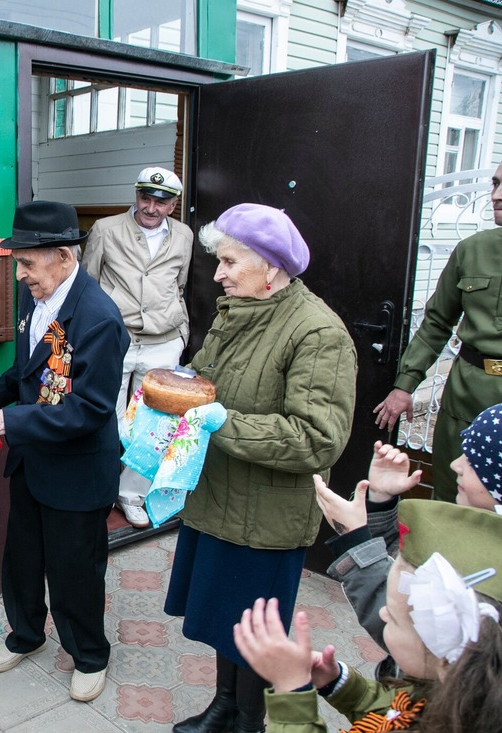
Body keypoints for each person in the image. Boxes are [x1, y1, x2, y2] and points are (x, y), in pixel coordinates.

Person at [164, 203, 358, 733]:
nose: (218, 273)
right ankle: (225, 706)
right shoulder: (240, 309)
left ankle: (249, 721)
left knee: (255, 627)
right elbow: (208, 383)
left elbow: (317, 440)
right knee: (229, 621)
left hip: (264, 517)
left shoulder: (318, 333)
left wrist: (219, 423)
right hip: (218, 498)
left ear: (271, 267)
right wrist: (175, 391)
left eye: (229, 262)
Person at [0, 200, 128, 703]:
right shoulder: (37, 299)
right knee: (23, 560)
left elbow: (88, 411)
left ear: (63, 257)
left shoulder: (98, 320)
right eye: (17, 262)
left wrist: (3, 420)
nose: (19, 273)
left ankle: (90, 655)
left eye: (27, 262)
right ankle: (25, 635)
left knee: (74, 570)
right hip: (34, 460)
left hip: (77, 470)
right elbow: (29, 371)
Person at [233, 499, 502, 733]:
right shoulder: (447, 694)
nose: (383, 611)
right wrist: (338, 683)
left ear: (446, 658)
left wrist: (292, 693)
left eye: (394, 617)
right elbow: (394, 713)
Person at [317, 402, 502, 649]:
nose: (455, 464)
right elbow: (408, 570)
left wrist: (356, 540)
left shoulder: (489, 575)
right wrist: (381, 499)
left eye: (472, 461)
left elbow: (414, 632)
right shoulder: (476, 533)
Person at [373, 161, 502, 503]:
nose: (497, 195)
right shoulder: (472, 250)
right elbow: (436, 323)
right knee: (453, 491)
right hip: (469, 392)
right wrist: (405, 385)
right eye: (494, 184)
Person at [83, 166, 193, 527]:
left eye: (161, 202)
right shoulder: (106, 229)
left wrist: (182, 332)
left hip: (164, 340)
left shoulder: (184, 235)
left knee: (155, 424)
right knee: (106, 417)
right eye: (146, 198)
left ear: (173, 205)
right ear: (136, 196)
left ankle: (132, 495)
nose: (151, 208)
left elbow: (179, 284)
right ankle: (99, 490)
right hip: (117, 338)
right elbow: (88, 284)